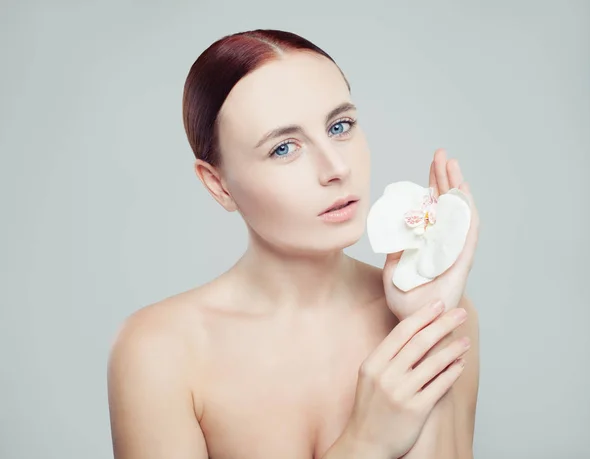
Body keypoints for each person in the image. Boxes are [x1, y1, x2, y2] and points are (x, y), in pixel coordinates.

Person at [107, 29, 480, 459]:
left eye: (341, 126)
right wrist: (367, 444)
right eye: (285, 148)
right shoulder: (160, 351)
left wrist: (423, 330)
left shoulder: (444, 314)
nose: (336, 167)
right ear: (218, 184)